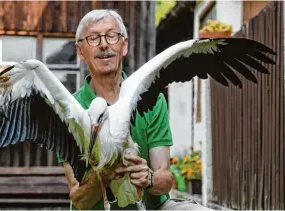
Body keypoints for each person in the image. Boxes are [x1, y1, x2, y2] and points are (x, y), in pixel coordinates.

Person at [57, 9, 212, 210]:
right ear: (80, 51)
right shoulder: (68, 111)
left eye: (112, 36)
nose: (104, 44)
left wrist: (148, 178)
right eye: (93, 38)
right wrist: (102, 176)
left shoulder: (152, 100)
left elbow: (165, 180)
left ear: (125, 45)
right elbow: (79, 199)